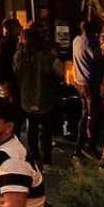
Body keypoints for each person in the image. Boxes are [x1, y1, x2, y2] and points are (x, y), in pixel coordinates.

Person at [14, 26, 64, 172]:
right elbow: (59, 72)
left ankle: (36, 159)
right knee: (46, 131)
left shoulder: (19, 55)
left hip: (26, 97)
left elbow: (15, 72)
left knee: (32, 129)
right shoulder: (46, 55)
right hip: (45, 97)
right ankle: (47, 161)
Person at [73, 19, 104, 161]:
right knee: (93, 115)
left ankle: (80, 146)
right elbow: (100, 59)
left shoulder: (76, 40)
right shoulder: (90, 44)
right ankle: (89, 146)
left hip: (80, 81)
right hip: (91, 82)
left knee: (85, 113)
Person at [0, 18, 22, 104]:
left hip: (9, 77)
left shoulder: (4, 40)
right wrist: (3, 81)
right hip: (10, 77)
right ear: (14, 28)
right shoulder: (10, 42)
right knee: (13, 101)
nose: (21, 28)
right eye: (19, 26)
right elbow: (3, 62)